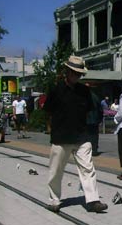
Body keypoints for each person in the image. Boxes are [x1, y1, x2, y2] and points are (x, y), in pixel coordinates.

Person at [44, 55, 107, 214]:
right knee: (56, 171)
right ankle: (54, 200)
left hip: (81, 136)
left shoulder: (85, 91)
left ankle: (93, 200)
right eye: (74, 72)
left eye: (79, 74)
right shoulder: (56, 90)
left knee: (88, 168)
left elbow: (90, 111)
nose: (77, 76)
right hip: (61, 137)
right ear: (67, 72)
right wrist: (51, 128)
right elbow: (48, 111)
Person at [85, 82, 103, 156]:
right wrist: (100, 119)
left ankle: (87, 150)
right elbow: (100, 110)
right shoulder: (95, 97)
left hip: (86, 120)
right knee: (94, 135)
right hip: (94, 120)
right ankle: (94, 149)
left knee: (87, 136)